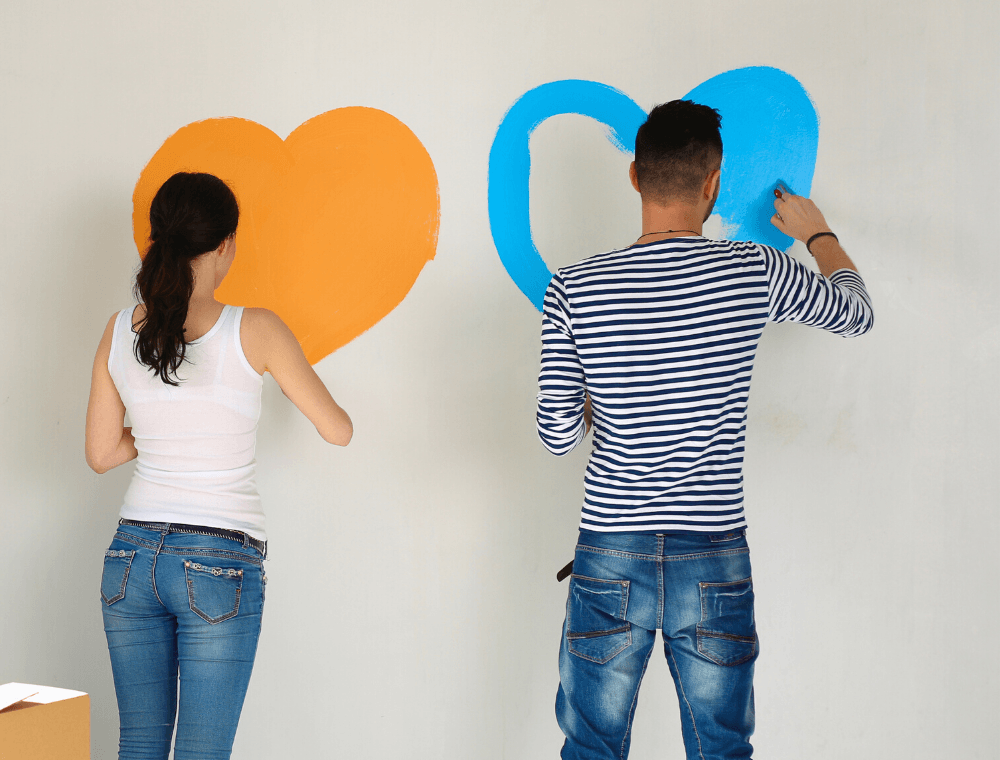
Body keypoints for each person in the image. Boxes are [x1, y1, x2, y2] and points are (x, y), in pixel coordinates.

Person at [536, 100, 873, 760]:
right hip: (713, 554)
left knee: (592, 750)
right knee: (721, 749)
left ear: (635, 176)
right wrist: (819, 234)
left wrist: (606, 402)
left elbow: (554, 434)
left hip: (610, 552)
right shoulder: (753, 270)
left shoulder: (572, 287)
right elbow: (856, 313)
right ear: (713, 183)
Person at [85, 171, 353, 760]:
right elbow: (338, 430)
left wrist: (161, 429)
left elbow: (102, 453)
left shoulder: (118, 329)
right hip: (218, 562)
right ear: (225, 244)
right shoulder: (253, 328)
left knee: (139, 744)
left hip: (130, 559)